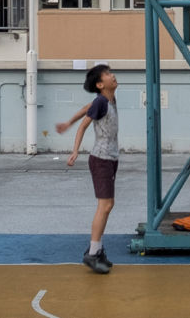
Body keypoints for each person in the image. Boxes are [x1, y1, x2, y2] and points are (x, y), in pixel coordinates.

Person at [58, 63, 120, 274]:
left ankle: (97, 248)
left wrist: (68, 121)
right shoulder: (102, 101)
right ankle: (93, 253)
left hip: (110, 158)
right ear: (100, 84)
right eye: (108, 74)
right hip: (101, 159)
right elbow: (85, 124)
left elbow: (87, 107)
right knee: (104, 206)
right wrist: (75, 151)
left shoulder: (107, 99)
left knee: (108, 205)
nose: (113, 75)